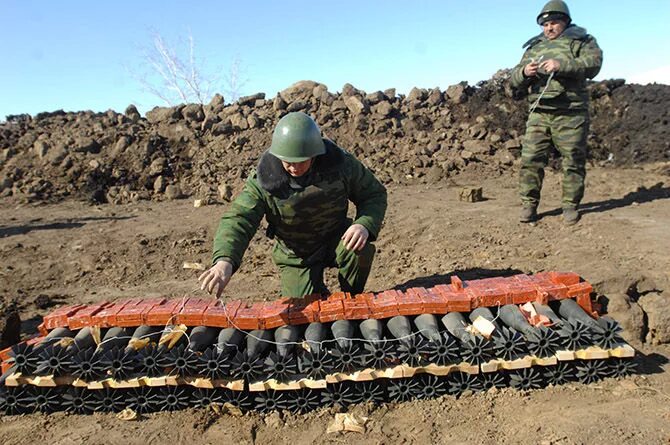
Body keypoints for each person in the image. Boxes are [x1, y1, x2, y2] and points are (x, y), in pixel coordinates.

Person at [199, 111, 387, 299]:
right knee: (303, 312)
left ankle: (352, 299)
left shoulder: (340, 165)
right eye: (288, 162)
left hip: (336, 238)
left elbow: (374, 194)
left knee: (359, 250)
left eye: (301, 162)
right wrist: (225, 260)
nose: (294, 168)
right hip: (296, 255)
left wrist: (363, 224)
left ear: (314, 154)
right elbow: (239, 218)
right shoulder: (264, 181)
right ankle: (317, 292)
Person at [510, 0, 602, 225]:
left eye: (554, 23)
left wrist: (561, 64)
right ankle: (528, 205)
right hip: (539, 112)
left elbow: (593, 64)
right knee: (530, 159)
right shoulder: (534, 47)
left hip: (570, 112)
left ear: (565, 22)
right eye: (545, 24)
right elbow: (513, 81)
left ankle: (570, 206)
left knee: (572, 160)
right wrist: (524, 72)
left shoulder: (582, 41)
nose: (549, 28)